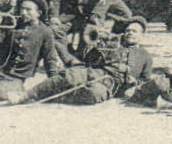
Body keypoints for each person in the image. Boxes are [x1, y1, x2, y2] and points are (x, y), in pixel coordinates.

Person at [19, 15, 157, 105]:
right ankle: (26, 95)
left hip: (112, 85)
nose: (130, 33)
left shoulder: (146, 56)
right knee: (70, 76)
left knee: (93, 94)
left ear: (142, 36)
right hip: (97, 72)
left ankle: (54, 97)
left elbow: (145, 81)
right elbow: (90, 60)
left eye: (134, 31)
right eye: (128, 30)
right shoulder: (114, 43)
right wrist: (100, 45)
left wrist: (134, 83)